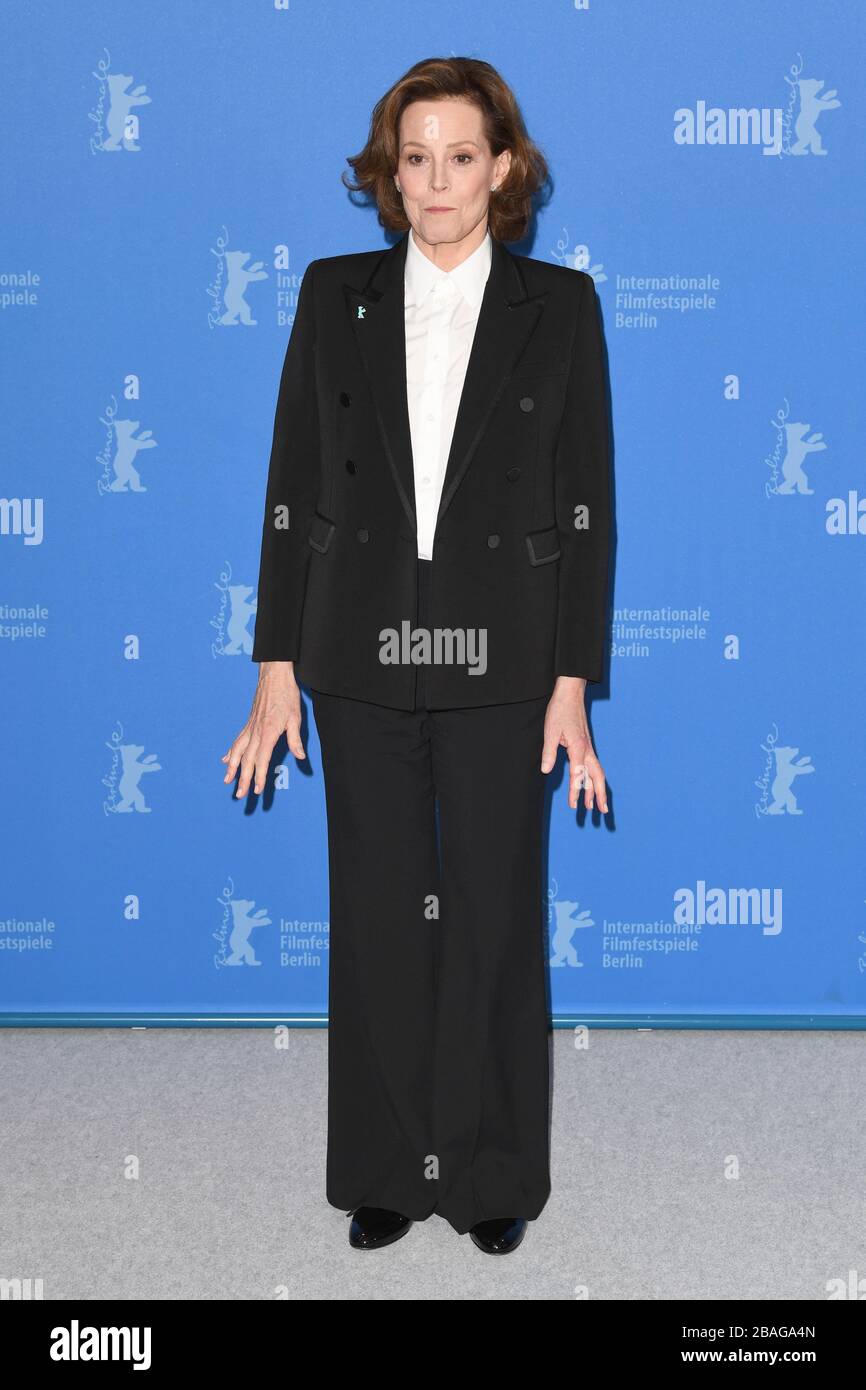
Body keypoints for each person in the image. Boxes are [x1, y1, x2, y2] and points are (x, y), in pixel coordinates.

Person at [223, 55, 611, 1256]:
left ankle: (490, 1173)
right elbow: (292, 488)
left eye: (457, 157)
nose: (433, 181)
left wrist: (571, 688)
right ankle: (388, 1166)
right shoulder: (331, 294)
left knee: (492, 916)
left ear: (501, 169)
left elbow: (584, 502)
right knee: (380, 914)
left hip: (504, 663)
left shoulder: (561, 309)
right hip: (358, 650)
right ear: (388, 175)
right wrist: (273, 663)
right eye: (413, 158)